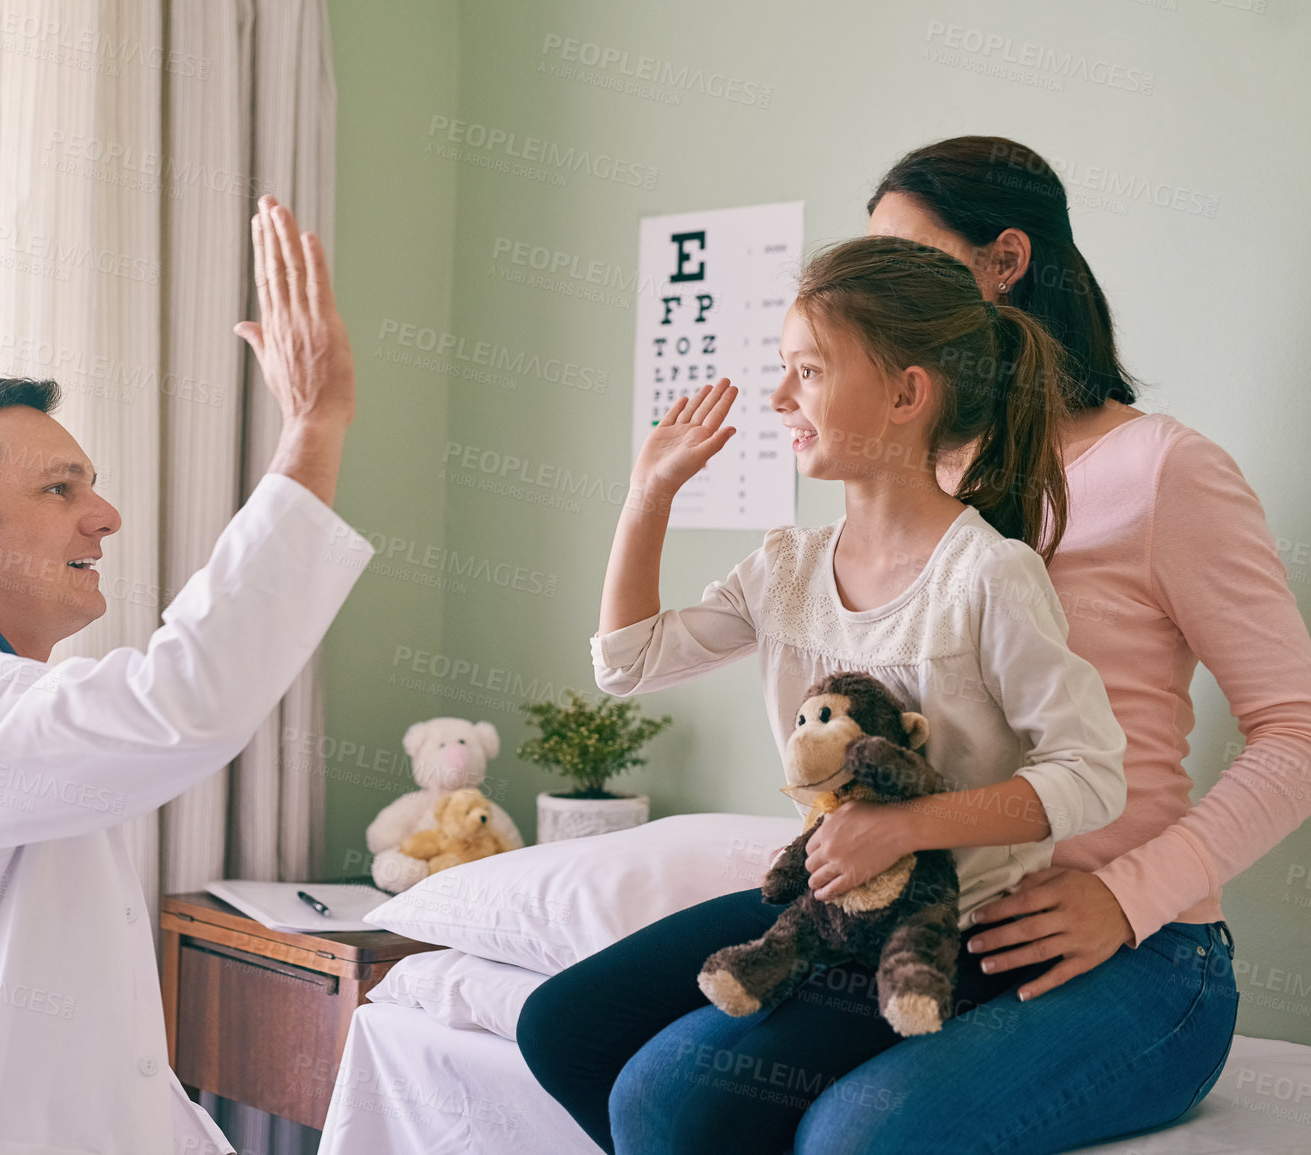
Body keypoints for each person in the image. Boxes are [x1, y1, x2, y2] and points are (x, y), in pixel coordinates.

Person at [518, 234, 1128, 1153]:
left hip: (943, 929)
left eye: (805, 370)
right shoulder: (786, 566)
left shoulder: (987, 576)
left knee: (666, 1096)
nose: (776, 399)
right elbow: (627, 663)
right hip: (822, 904)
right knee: (558, 1024)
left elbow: (1090, 776)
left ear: (905, 393)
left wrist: (906, 825)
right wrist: (647, 496)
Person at [0, 196, 368, 1154]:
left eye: (90, 485)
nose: (105, 516)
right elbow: (182, 704)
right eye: (60, 489)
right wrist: (314, 425)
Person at [781, 136, 1311, 1153]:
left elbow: (1293, 731)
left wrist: (1128, 896)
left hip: (1141, 958)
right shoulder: (916, 475)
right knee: (671, 1095)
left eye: (908, 258)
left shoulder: (1165, 470)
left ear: (1005, 261)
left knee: (861, 1138)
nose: (877, 285)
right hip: (935, 925)